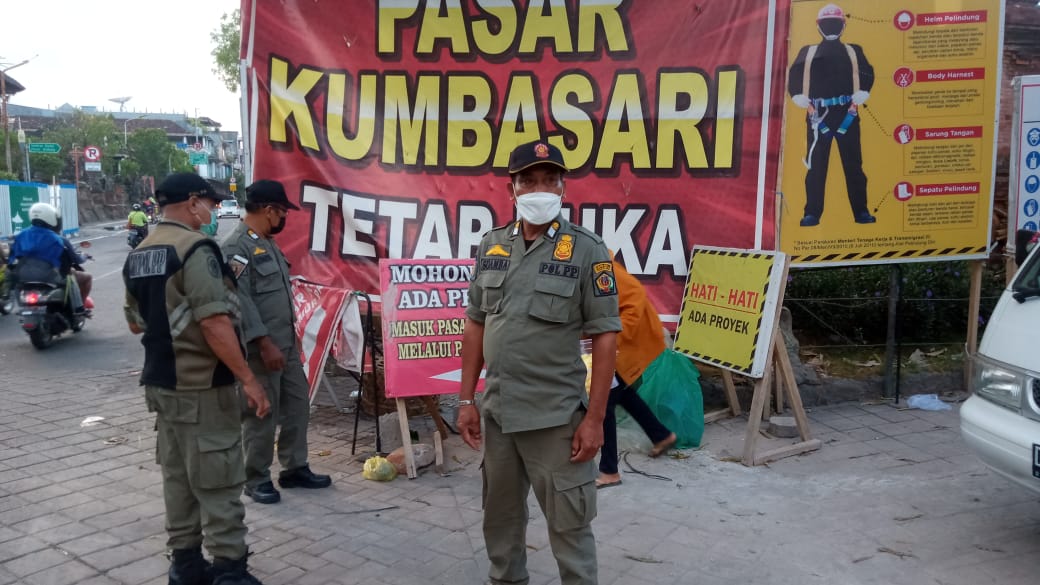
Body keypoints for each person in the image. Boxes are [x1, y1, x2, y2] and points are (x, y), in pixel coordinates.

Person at [458, 140, 621, 585]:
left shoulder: (587, 249)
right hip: (499, 415)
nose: (539, 188)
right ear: (511, 188)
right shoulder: (492, 246)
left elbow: (606, 337)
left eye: (549, 179)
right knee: (501, 527)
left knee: (570, 531)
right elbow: (475, 324)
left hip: (555, 421)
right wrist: (465, 399)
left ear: (563, 187)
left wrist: (595, 420)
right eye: (528, 180)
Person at [122, 172, 271, 585]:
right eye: (209, 203)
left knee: (179, 477)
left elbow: (135, 322)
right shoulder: (196, 248)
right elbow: (215, 323)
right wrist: (250, 379)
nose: (212, 211)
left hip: (160, 385)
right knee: (219, 477)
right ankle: (229, 569)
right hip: (203, 385)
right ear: (192, 203)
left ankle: (185, 564)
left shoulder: (141, 251)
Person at [221, 179, 331, 505]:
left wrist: (288, 338)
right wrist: (263, 341)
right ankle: (255, 478)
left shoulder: (266, 242)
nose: (285, 218)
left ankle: (295, 467)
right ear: (269, 211)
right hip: (260, 349)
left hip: (285, 344)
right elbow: (239, 300)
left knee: (297, 407)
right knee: (261, 414)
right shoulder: (235, 247)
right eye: (282, 212)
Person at [788, 3, 875, 227]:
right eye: (827, 24)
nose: (831, 27)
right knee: (816, 165)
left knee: (854, 164)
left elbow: (867, 71)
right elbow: (794, 75)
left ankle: (861, 211)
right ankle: (812, 213)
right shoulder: (808, 52)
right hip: (818, 116)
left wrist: (864, 90)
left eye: (834, 23)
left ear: (843, 25)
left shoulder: (853, 50)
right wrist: (796, 94)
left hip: (848, 114)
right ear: (819, 26)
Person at [595, 258, 676, 489]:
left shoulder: (599, 266)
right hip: (609, 343)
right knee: (619, 392)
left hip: (622, 342)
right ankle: (661, 435)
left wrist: (610, 339)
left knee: (603, 403)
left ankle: (610, 471)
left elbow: (635, 298)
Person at [8, 202, 92, 312]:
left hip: (23, 277)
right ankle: (79, 308)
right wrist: (84, 256)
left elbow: (12, 258)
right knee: (80, 277)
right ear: (52, 218)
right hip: (49, 277)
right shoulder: (59, 239)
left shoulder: (21, 235)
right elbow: (76, 259)